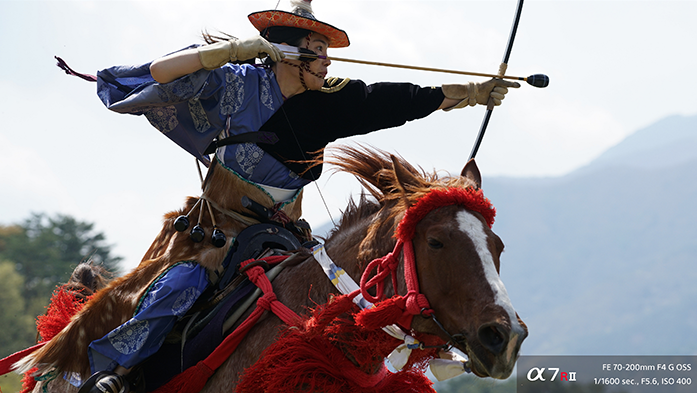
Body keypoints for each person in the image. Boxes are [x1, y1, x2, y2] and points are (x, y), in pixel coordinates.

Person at [74, 1, 519, 391]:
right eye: (317, 52)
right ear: (286, 52)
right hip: (214, 234)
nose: (327, 63)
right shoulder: (235, 83)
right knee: (176, 290)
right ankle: (112, 376)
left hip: (283, 237)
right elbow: (153, 75)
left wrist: (471, 95)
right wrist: (228, 53)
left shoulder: (323, 102)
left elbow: (386, 101)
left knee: (338, 299)